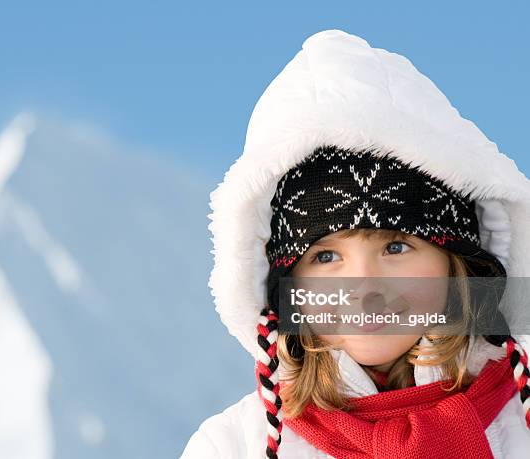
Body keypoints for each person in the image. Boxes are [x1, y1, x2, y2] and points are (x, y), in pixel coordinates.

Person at [181, 29, 530, 459]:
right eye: (326, 256)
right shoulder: (236, 445)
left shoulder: (519, 419)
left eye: (396, 247)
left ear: (458, 260)